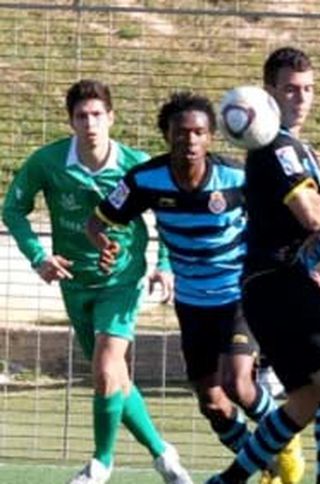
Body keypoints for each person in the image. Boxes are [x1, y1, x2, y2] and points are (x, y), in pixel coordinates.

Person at [85, 91, 305, 484]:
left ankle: (285, 439)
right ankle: (265, 464)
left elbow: (284, 217)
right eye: (181, 132)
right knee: (212, 403)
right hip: (191, 303)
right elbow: (97, 221)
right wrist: (104, 244)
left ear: (212, 136)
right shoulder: (145, 179)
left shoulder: (237, 178)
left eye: (199, 132)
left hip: (240, 294)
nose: (190, 140)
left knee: (238, 383)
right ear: (167, 135)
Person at [206, 46, 320, 484]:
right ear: (267, 92)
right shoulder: (277, 147)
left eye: (308, 88)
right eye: (290, 89)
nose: (301, 97)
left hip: (270, 288)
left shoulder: (291, 147)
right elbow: (313, 215)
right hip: (283, 286)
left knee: (306, 400)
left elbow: (319, 225)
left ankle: (227, 481)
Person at [2, 80, 192, 484]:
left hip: (122, 280)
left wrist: (164, 263)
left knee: (106, 368)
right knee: (114, 378)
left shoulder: (136, 166)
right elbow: (13, 210)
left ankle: (100, 464)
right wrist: (39, 257)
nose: (90, 124)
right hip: (74, 282)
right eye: (81, 116)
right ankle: (163, 455)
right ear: (71, 121)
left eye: (97, 115)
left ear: (111, 118)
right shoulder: (48, 162)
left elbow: (169, 214)